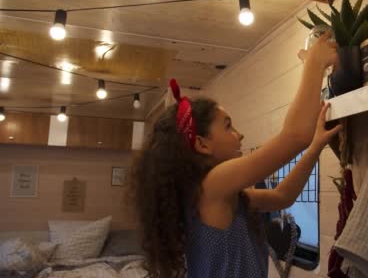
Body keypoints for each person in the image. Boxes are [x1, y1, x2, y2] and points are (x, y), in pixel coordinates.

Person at [131, 32, 341, 278]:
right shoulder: (212, 185)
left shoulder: (228, 197)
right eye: (228, 126)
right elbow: (295, 136)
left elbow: (282, 196)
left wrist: (315, 146)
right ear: (202, 144)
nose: (239, 135)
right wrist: (315, 63)